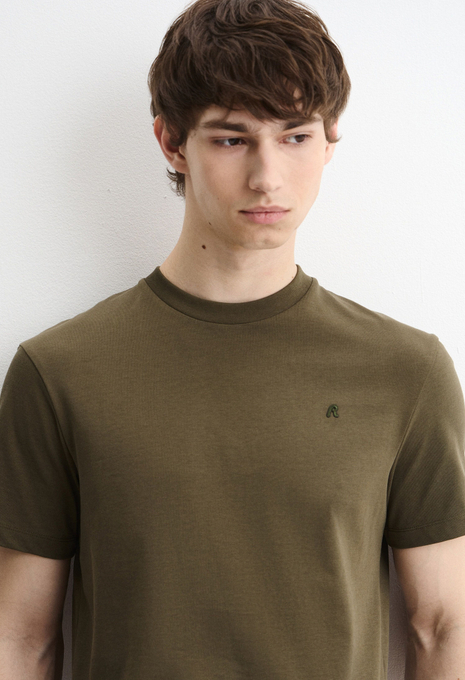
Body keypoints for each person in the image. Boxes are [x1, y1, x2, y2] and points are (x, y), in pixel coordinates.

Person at [1, 0, 464, 678]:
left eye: (295, 136)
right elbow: (21, 638)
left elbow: (442, 627)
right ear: (171, 142)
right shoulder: (58, 372)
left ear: (330, 142)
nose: (267, 176)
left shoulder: (406, 371)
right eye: (231, 138)